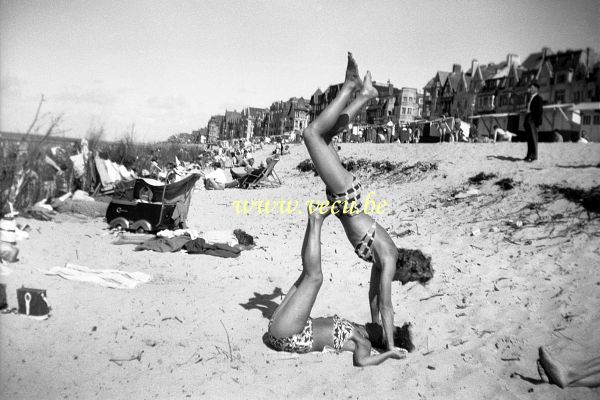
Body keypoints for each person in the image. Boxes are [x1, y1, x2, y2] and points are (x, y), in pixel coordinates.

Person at [302, 52, 433, 350]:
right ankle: (351, 88)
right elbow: (387, 305)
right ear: (407, 269)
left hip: (347, 197)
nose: (400, 284)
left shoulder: (384, 258)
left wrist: (376, 330)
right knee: (311, 134)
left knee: (325, 136)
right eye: (407, 281)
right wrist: (389, 346)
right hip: (346, 197)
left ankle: (365, 94)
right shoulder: (388, 259)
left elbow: (374, 299)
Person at [265, 207, 409, 366]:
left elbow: (363, 361)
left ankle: (316, 220)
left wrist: (390, 350)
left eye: (385, 330)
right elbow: (374, 297)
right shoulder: (356, 328)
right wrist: (378, 323)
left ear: (380, 339)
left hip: (287, 335)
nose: (381, 325)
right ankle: (313, 220)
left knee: (315, 277)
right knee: (306, 274)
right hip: (282, 325)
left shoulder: (363, 343)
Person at [524, 80, 543, 161]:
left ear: (536, 89)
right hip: (529, 119)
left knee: (534, 139)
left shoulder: (538, 98)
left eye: (532, 88)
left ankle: (534, 156)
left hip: (533, 120)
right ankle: (529, 155)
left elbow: (539, 111)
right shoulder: (530, 98)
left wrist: (536, 122)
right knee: (529, 139)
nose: (530, 89)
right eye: (530, 88)